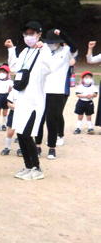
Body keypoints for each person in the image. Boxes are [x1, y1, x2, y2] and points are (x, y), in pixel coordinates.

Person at [5, 21, 54, 181]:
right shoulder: (25, 51)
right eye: (26, 34)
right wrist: (11, 49)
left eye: (32, 33)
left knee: (27, 134)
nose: (28, 37)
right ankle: (27, 165)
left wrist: (44, 47)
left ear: (39, 34)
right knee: (20, 133)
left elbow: (49, 67)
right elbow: (14, 67)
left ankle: (36, 167)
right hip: (21, 100)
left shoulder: (43, 52)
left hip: (35, 101)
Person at [36, 29, 77, 160]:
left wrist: (63, 35)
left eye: (54, 42)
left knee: (52, 119)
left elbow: (74, 47)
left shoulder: (66, 52)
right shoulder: (44, 50)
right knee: (40, 118)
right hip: (42, 88)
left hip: (57, 90)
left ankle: (52, 148)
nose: (52, 44)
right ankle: (37, 145)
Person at [0, 89, 21, 157]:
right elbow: (9, 103)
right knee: (10, 132)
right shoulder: (13, 92)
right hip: (14, 113)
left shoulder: (28, 91)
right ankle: (7, 147)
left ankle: (20, 148)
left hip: (23, 113)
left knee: (21, 132)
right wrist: (18, 107)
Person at [0, 65, 13, 131]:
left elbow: (10, 91)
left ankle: (4, 124)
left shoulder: (9, 82)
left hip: (6, 96)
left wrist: (10, 89)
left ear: (7, 74)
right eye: (1, 72)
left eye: (4, 72)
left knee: (5, 112)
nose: (2, 74)